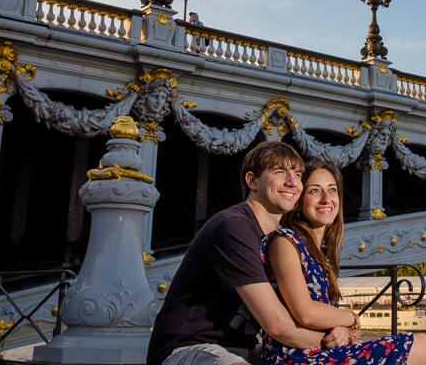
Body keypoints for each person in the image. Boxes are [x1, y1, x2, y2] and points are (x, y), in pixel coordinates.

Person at [147, 143, 348, 365]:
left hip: (244, 349)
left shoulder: (277, 239)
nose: (292, 182)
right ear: (252, 181)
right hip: (188, 347)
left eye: (298, 174)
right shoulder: (234, 226)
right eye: (280, 172)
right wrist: (329, 342)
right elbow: (277, 325)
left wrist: (342, 329)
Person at [261, 161, 426, 365]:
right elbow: (306, 313)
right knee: (422, 346)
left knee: (422, 347)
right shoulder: (285, 241)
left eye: (332, 190)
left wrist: (345, 330)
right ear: (298, 201)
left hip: (320, 352)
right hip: (294, 357)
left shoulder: (321, 255)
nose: (326, 199)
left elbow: (329, 319)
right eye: (315, 190)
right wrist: (352, 318)